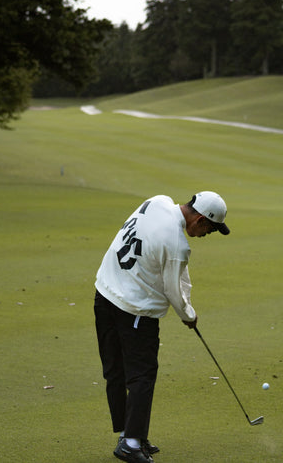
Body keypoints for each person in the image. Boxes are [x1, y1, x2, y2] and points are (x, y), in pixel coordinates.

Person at [94, 191, 230, 463]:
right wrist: (188, 316)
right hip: (133, 308)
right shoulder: (177, 244)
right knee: (142, 375)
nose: (206, 235)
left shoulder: (157, 202)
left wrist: (187, 305)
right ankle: (131, 444)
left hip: (103, 294)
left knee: (116, 370)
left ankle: (128, 435)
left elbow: (176, 271)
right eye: (210, 230)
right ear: (200, 220)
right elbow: (172, 290)